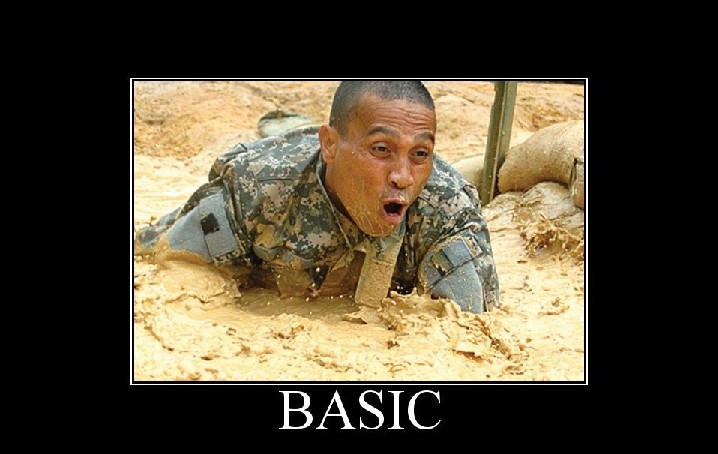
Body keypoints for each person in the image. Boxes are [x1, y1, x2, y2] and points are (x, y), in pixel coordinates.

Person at [135, 80, 500, 313]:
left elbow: (468, 334)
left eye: (420, 154)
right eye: (381, 149)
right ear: (329, 145)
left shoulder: (448, 210)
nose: (403, 177)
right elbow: (172, 279)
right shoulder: (257, 189)